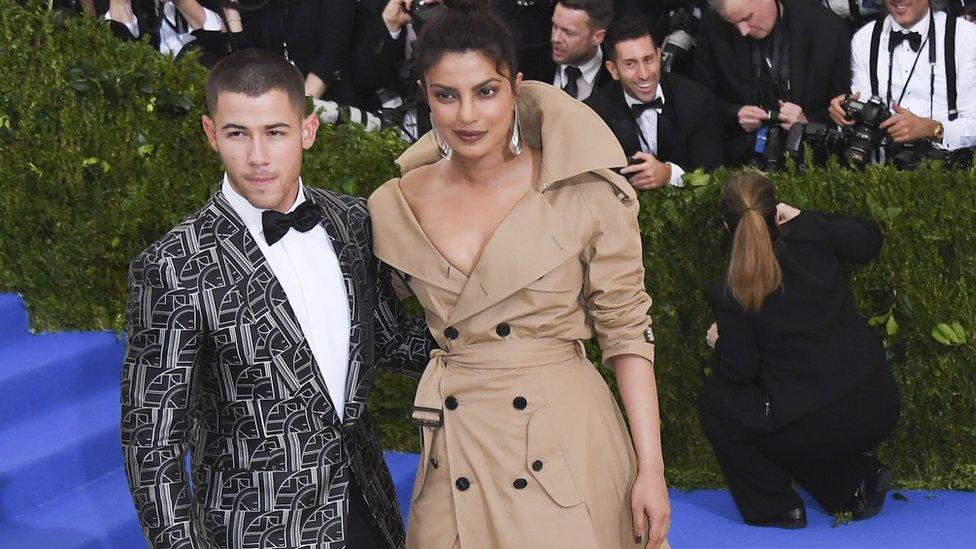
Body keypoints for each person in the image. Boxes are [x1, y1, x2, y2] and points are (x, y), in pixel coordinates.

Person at [367, 1, 671, 547]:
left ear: (516, 88)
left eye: (485, 91)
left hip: (562, 440)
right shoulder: (393, 206)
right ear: (425, 96)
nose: (467, 115)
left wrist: (651, 468)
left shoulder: (580, 189)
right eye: (446, 95)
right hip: (455, 444)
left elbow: (626, 330)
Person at [121, 49, 434, 549]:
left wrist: (497, 346)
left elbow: (391, 340)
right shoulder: (173, 265)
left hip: (367, 511)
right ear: (210, 133)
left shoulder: (352, 222)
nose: (258, 157)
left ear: (307, 131)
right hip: (254, 529)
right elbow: (151, 443)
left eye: (275, 132)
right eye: (237, 134)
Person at [699, 171, 901, 529]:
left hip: (815, 425)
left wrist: (720, 343)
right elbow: (869, 240)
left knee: (717, 401)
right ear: (777, 210)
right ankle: (854, 485)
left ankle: (776, 507)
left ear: (727, 228)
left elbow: (740, 370)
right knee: (796, 424)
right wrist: (806, 216)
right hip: (880, 403)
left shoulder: (731, 290)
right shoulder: (813, 235)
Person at [693, 0, 851, 165]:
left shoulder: (826, 28)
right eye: (733, 23)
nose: (743, 31)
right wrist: (734, 113)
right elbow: (701, 100)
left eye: (747, 18)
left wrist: (806, 125)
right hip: (739, 157)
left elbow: (838, 106)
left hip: (811, 161)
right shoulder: (712, 26)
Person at [585, 19, 723, 189]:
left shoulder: (697, 100)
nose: (643, 74)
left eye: (648, 60)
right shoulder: (593, 113)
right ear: (613, 70)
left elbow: (712, 174)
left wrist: (669, 174)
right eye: (630, 64)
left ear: (659, 56)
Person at [827, 0, 976, 155]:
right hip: (879, 172)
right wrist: (845, 112)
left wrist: (931, 129)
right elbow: (862, 116)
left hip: (945, 171)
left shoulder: (965, 38)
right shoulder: (864, 39)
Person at [521, 0, 616, 101]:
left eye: (568, 33)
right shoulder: (525, 62)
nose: (555, 38)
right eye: (554, 26)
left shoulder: (618, 77)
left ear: (598, 37)